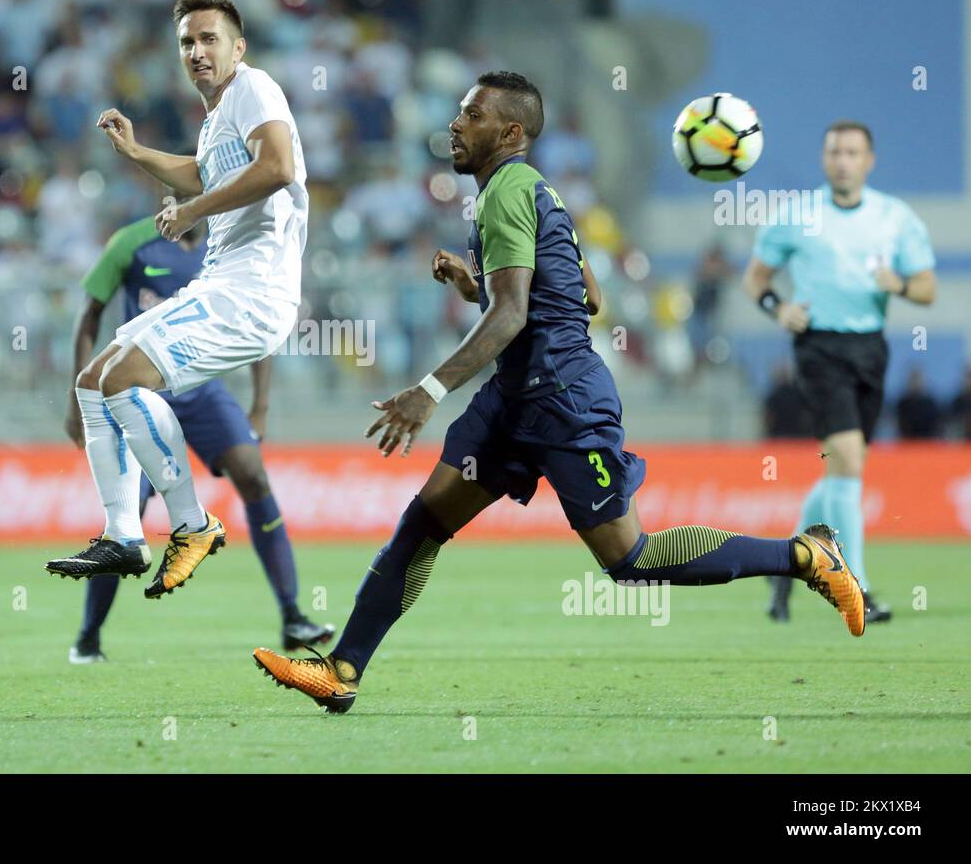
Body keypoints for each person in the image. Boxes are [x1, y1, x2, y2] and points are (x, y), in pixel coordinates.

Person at [252, 72, 866, 714]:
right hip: (514, 399)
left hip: (563, 398)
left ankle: (805, 554)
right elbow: (588, 296)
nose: (456, 124)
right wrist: (478, 284)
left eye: (473, 114)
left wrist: (429, 388)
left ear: (510, 132)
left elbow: (514, 314)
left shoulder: (507, 191)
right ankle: (343, 668)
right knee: (424, 522)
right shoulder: (530, 192)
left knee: (631, 559)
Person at [43, 0, 308, 601]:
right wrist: (136, 154)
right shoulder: (218, 118)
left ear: (238, 47)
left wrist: (192, 211)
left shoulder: (254, 87)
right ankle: (123, 535)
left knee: (124, 380)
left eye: (209, 38)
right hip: (224, 285)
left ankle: (190, 523)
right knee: (93, 379)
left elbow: (277, 167)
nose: (197, 51)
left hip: (253, 291)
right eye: (187, 41)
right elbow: (205, 171)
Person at [61, 207, 332, 662]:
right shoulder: (130, 242)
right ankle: (88, 637)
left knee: (255, 478)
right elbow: (89, 315)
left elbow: (251, 318)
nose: (181, 200)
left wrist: (259, 405)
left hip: (202, 391)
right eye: (174, 190)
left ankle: (292, 616)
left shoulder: (227, 243)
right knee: (130, 505)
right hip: (142, 386)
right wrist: (77, 398)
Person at [743, 120, 936, 625]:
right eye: (834, 152)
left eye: (852, 152)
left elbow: (927, 289)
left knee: (843, 469)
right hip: (818, 347)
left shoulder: (894, 217)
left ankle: (784, 567)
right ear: (824, 159)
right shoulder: (798, 216)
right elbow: (756, 280)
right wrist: (778, 309)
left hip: (870, 347)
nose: (842, 160)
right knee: (847, 459)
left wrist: (898, 284)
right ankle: (858, 587)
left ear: (869, 160)